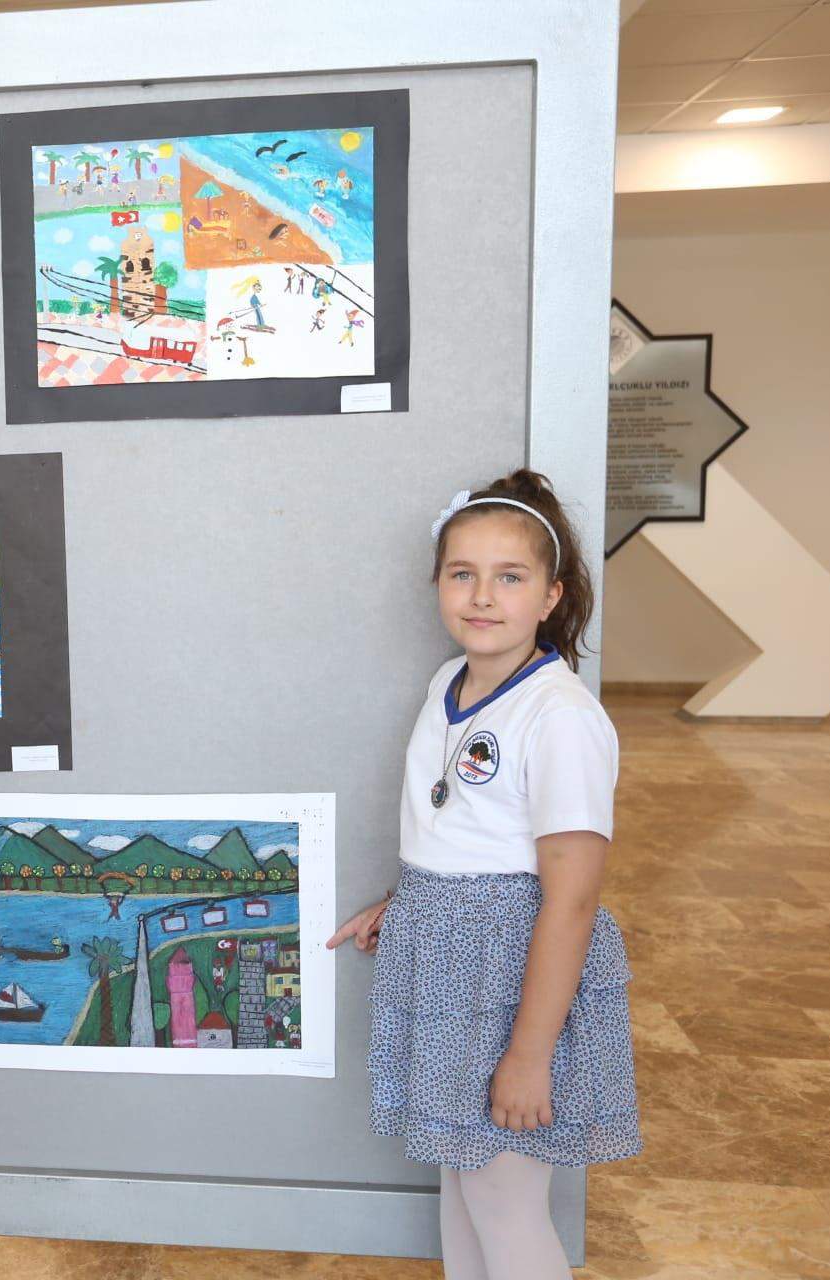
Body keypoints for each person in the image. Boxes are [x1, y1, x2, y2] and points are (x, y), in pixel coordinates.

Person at [326, 470, 640, 1279]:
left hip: (516, 978)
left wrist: (529, 1056)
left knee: (505, 1202)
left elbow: (572, 899)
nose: (482, 597)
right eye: (462, 573)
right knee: (462, 1184)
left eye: (510, 577)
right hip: (445, 962)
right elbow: (464, 825)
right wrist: (410, 901)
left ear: (550, 595)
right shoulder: (449, 681)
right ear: (437, 583)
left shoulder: (561, 717)